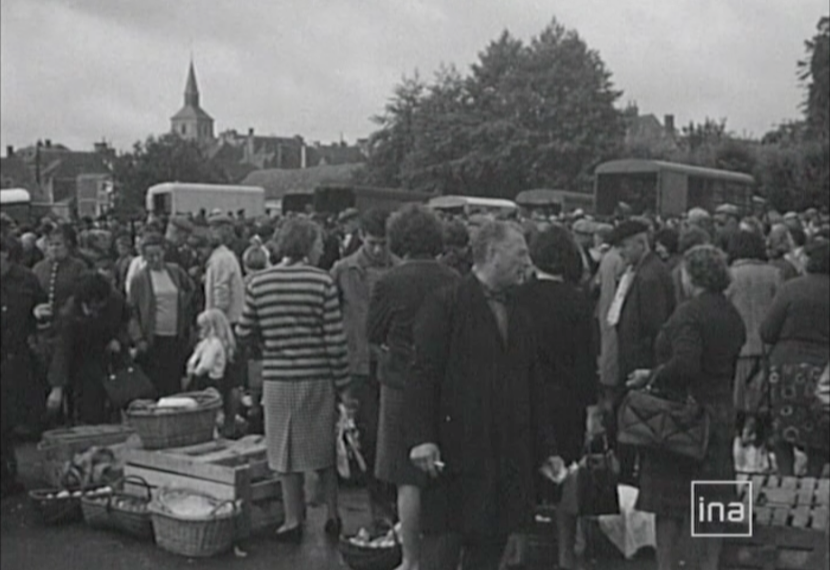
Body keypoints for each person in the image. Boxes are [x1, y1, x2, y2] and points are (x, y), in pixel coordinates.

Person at [406, 221, 562, 570]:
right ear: (492, 254)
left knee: (489, 553)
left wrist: (547, 448)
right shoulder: (445, 304)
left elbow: (533, 383)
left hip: (505, 459)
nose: (527, 262)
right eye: (520, 253)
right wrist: (422, 439)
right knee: (442, 553)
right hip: (456, 454)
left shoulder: (520, 309)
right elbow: (421, 376)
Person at [628, 245, 746, 570]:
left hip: (684, 418)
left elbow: (685, 364)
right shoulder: (731, 313)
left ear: (690, 275)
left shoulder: (689, 312)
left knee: (671, 507)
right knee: (712, 501)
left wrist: (650, 375)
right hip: (721, 412)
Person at [236, 218, 350, 543]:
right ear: (306, 245)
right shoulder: (322, 282)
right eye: (317, 243)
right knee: (323, 450)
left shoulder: (259, 283)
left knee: (284, 451)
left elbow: (243, 331)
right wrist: (343, 385)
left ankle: (291, 519)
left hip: (278, 379)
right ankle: (332, 514)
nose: (321, 249)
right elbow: (334, 340)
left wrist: (267, 341)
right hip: (316, 378)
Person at [367, 205, 459, 570]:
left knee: (407, 478)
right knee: (443, 471)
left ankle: (411, 560)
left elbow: (372, 335)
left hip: (400, 383)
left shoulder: (389, 281)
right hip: (445, 384)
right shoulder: (454, 277)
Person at [516, 225, 598, 570]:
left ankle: (518, 548)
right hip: (566, 401)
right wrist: (592, 408)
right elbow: (586, 360)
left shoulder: (517, 297)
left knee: (520, 471)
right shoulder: (578, 302)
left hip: (524, 398)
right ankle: (565, 552)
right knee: (565, 474)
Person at [331, 208, 399, 531]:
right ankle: (378, 506)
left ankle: (394, 504)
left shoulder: (399, 269)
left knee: (394, 436)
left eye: (383, 243)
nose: (377, 250)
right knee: (369, 436)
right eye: (372, 242)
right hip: (357, 363)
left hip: (390, 363)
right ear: (361, 238)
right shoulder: (343, 270)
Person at [604, 220, 675, 483]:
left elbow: (656, 329)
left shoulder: (649, 277)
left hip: (640, 370)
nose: (621, 253)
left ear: (640, 243)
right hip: (634, 366)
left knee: (634, 438)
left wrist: (646, 371)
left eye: (624, 247)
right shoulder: (642, 270)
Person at [760, 241, 830, 476]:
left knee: (783, 428)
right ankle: (813, 480)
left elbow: (767, 331)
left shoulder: (791, 288)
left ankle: (786, 477)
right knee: (820, 430)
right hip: (823, 369)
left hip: (785, 366)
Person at [47, 272, 131, 424]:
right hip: (81, 361)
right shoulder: (70, 313)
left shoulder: (116, 301)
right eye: (90, 306)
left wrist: (119, 340)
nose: (95, 309)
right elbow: (62, 351)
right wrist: (57, 387)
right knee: (87, 406)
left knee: (115, 406)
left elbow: (127, 323)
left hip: (111, 360)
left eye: (99, 305)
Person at [1, 235, 47, 497]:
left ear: (6, 254)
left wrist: (40, 316)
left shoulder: (26, 279)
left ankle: (8, 474)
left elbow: (41, 308)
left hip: (17, 360)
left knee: (9, 421)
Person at [725, 231, 781, 438]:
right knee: (762, 405)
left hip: (739, 348)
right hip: (767, 349)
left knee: (738, 404)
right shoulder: (774, 274)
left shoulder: (729, 275)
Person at [127, 233, 196, 397]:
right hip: (153, 339)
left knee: (174, 381)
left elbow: (191, 289)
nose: (155, 259)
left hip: (175, 336)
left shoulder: (175, 271)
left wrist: (184, 309)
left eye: (158, 254)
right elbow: (131, 311)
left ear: (164, 253)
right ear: (143, 256)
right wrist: (138, 339)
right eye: (150, 256)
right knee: (156, 383)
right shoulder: (139, 279)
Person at [205, 214, 246, 434]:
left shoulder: (221, 259)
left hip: (225, 325)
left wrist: (216, 328)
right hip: (229, 323)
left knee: (225, 377)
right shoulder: (226, 257)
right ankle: (227, 421)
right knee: (231, 377)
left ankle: (226, 423)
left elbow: (221, 295)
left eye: (215, 229)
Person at [186, 308, 235, 391]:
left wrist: (193, 373)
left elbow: (205, 365)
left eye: (202, 327)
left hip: (211, 383)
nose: (200, 331)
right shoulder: (207, 343)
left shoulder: (214, 343)